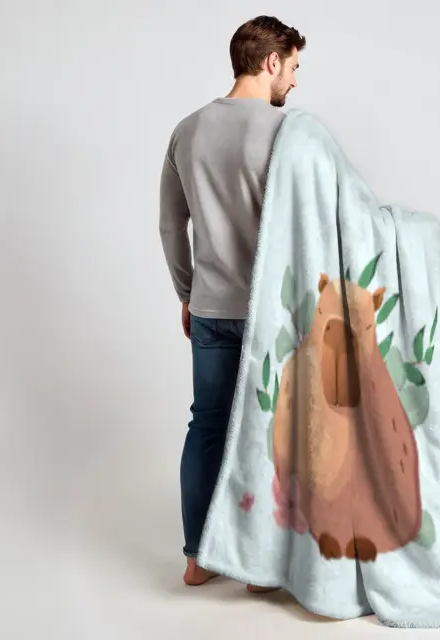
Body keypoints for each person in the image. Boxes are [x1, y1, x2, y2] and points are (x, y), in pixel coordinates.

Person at [158, 16, 306, 588]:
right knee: (272, 431)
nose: (294, 81)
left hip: (212, 309)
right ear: (271, 61)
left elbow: (171, 226)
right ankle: (257, 567)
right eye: (292, 67)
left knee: (208, 424)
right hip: (271, 310)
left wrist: (187, 294)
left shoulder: (187, 130)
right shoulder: (285, 131)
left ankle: (197, 559)